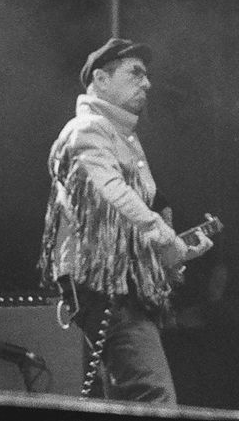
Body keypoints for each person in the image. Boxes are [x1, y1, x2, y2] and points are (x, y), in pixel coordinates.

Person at [39, 38, 213, 403]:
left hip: (119, 286)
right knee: (154, 394)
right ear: (101, 79)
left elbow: (132, 225)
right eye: (135, 73)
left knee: (125, 398)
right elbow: (113, 194)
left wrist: (176, 253)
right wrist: (167, 238)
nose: (146, 83)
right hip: (104, 286)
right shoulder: (87, 129)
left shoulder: (124, 138)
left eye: (147, 75)